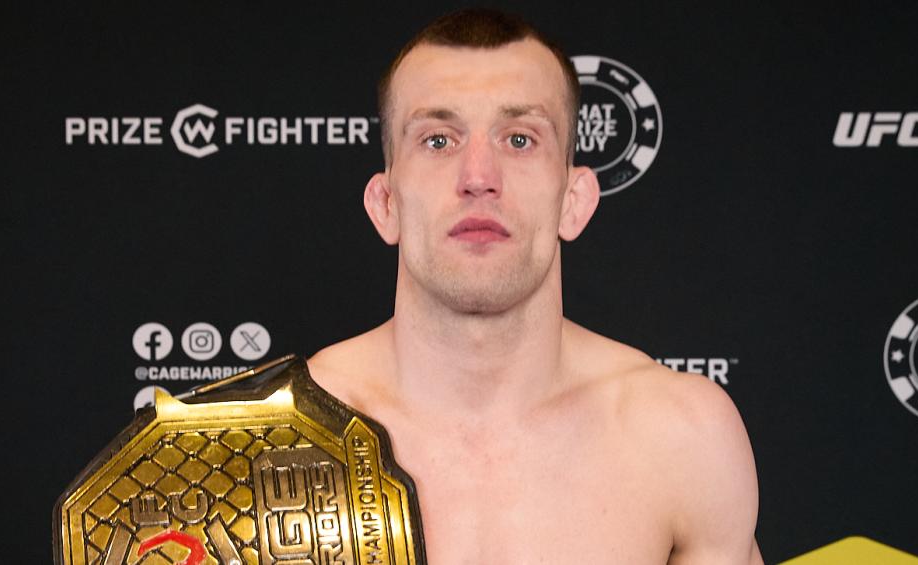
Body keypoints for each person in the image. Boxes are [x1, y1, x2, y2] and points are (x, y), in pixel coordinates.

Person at [309, 8, 763, 564]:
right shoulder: (269, 437)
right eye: (438, 140)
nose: (479, 177)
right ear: (385, 204)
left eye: (520, 139)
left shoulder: (682, 438)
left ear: (574, 201)